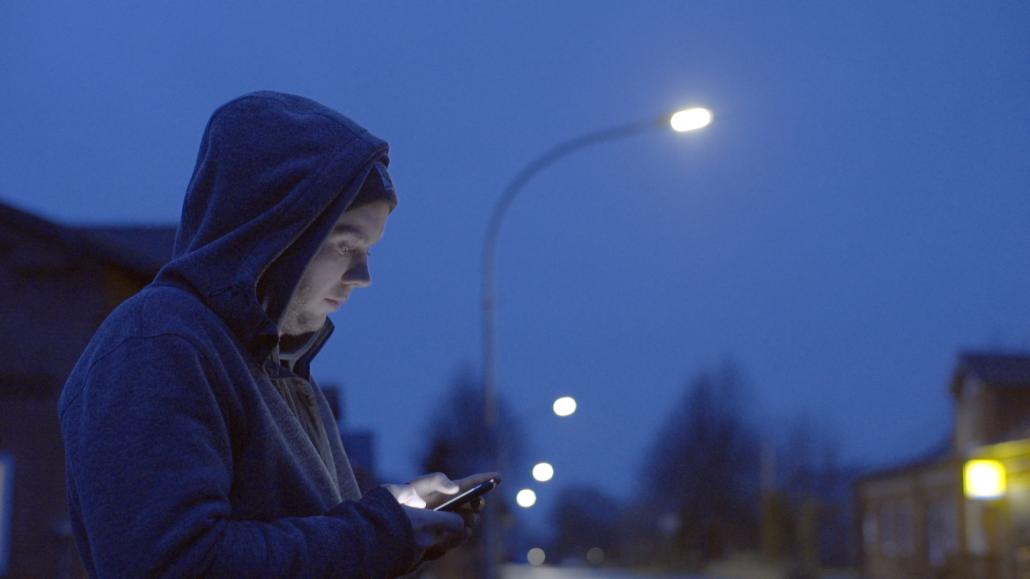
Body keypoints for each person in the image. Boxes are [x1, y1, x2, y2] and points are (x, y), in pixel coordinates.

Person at [57, 91, 497, 577]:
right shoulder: (155, 346)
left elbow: (310, 538)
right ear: (275, 230)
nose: (363, 275)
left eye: (370, 249)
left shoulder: (275, 368)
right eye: (346, 242)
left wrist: (399, 512)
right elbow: (178, 565)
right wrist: (382, 531)